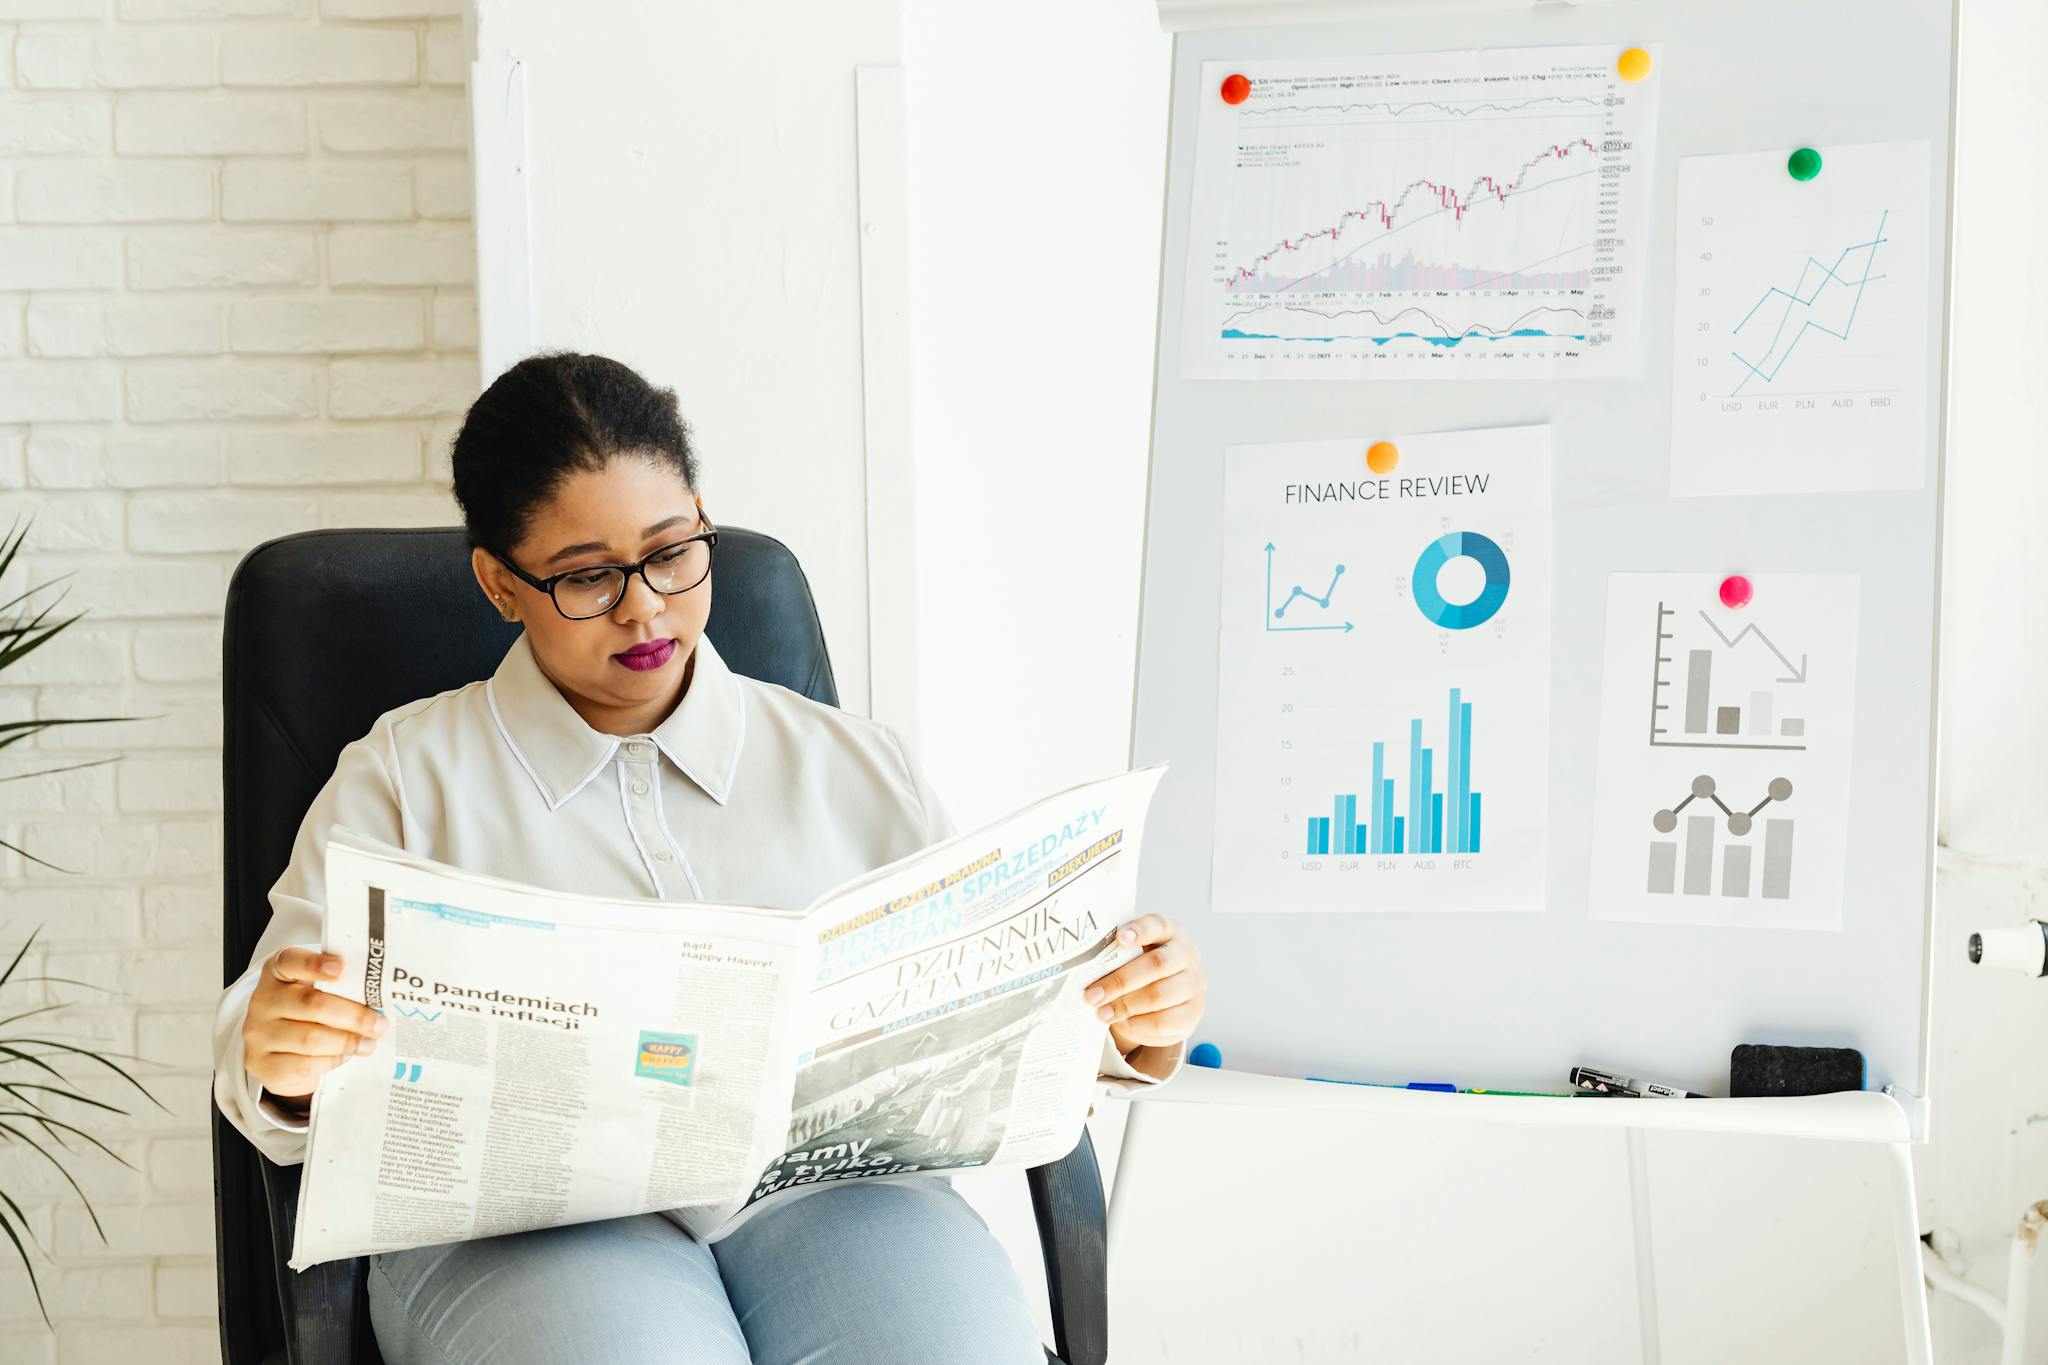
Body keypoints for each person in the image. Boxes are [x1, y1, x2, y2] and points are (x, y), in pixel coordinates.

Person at [209, 351, 1209, 1365]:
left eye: (671, 551)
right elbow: (268, 1058)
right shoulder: (405, 778)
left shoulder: (851, 766)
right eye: (588, 577)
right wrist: (282, 1052)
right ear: (501, 585)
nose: (645, 608)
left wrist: (1131, 1023)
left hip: (840, 1207)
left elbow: (1003, 1036)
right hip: (519, 1239)